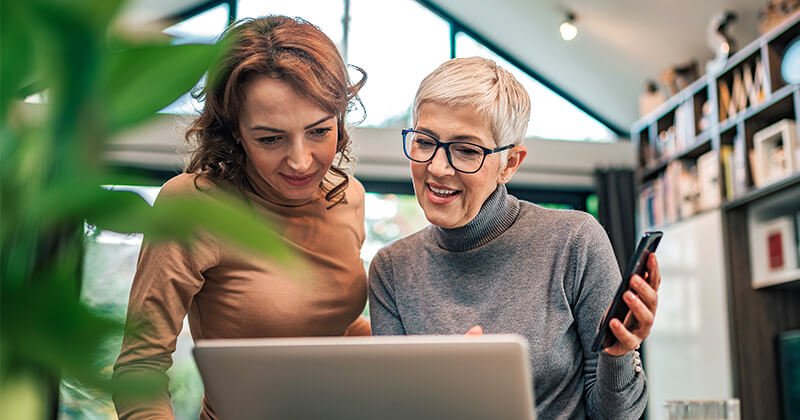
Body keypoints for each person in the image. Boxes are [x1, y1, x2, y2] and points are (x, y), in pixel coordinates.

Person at [368, 57, 661, 419]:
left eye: (467, 150)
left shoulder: (575, 242)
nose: (438, 168)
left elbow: (615, 416)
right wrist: (448, 390)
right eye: (425, 141)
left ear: (509, 164)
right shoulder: (392, 270)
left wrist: (617, 354)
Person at [113, 16, 369, 420]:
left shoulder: (349, 197)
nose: (301, 162)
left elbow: (330, 327)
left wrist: (427, 350)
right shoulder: (194, 205)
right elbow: (139, 369)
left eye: (319, 131)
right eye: (270, 139)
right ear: (234, 132)